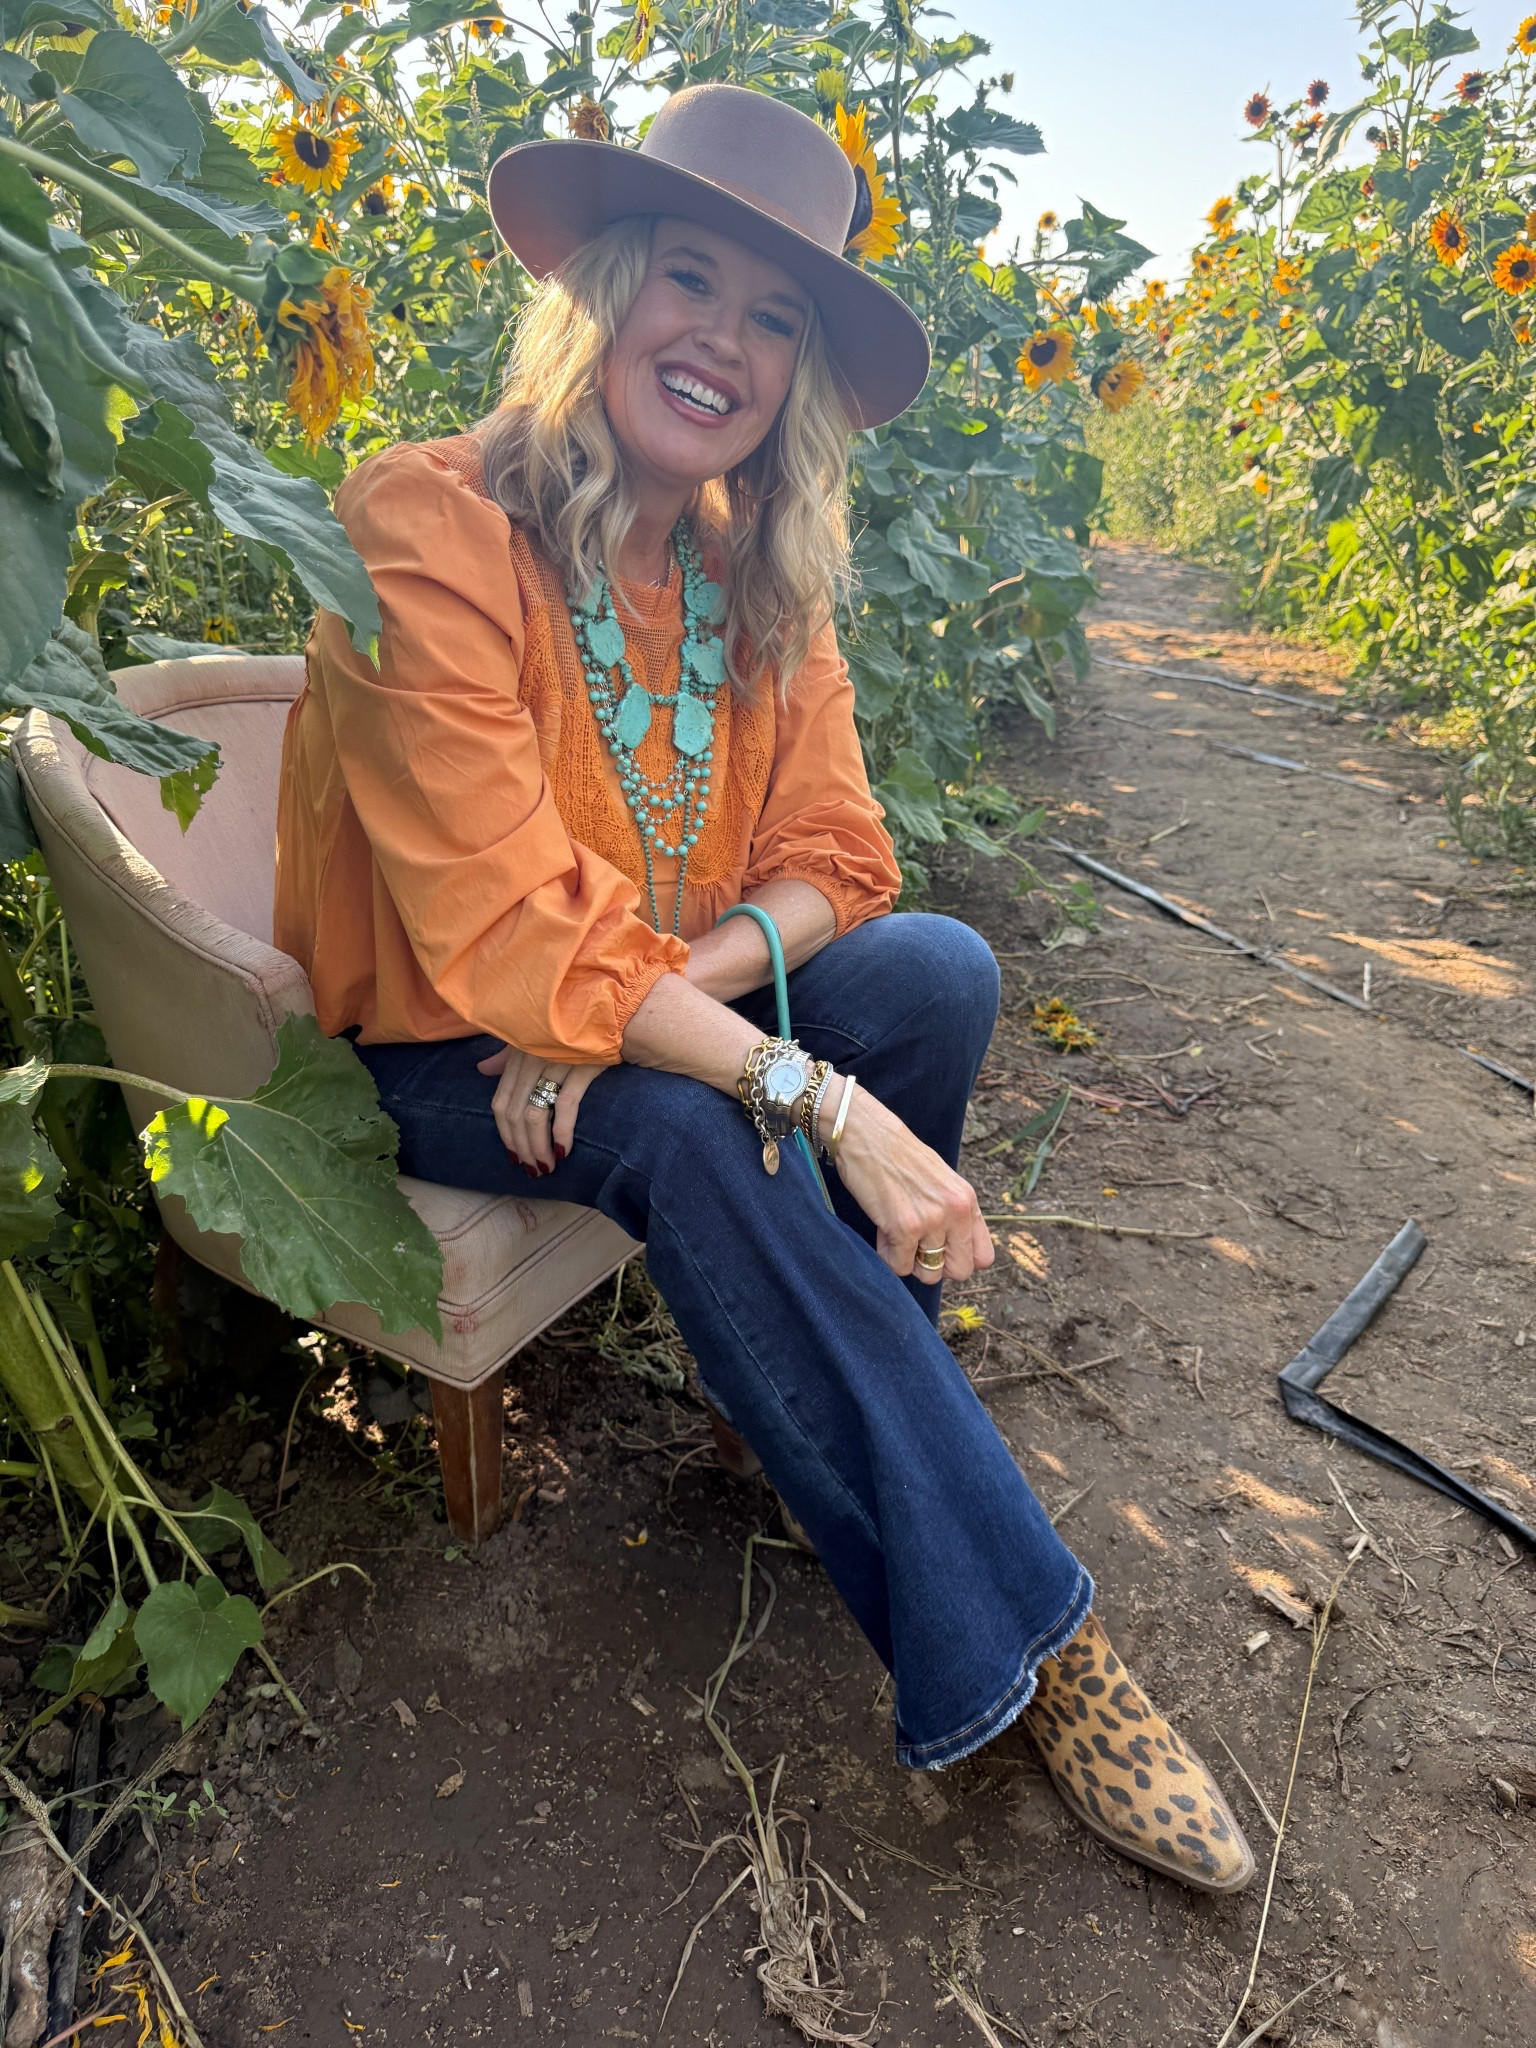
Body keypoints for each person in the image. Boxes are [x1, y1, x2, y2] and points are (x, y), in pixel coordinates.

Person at [274, 83, 1254, 1895]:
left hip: (592, 1015)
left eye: (777, 314)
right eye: (693, 282)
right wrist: (815, 1097)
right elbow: (506, 940)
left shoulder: (753, 575)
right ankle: (1033, 1652)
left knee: (934, 971)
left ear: (798, 371)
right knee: (680, 1107)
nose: (724, 341)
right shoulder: (428, 525)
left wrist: (655, 989)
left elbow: (840, 859)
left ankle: (797, 1394)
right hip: (437, 1044)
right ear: (612, 286)